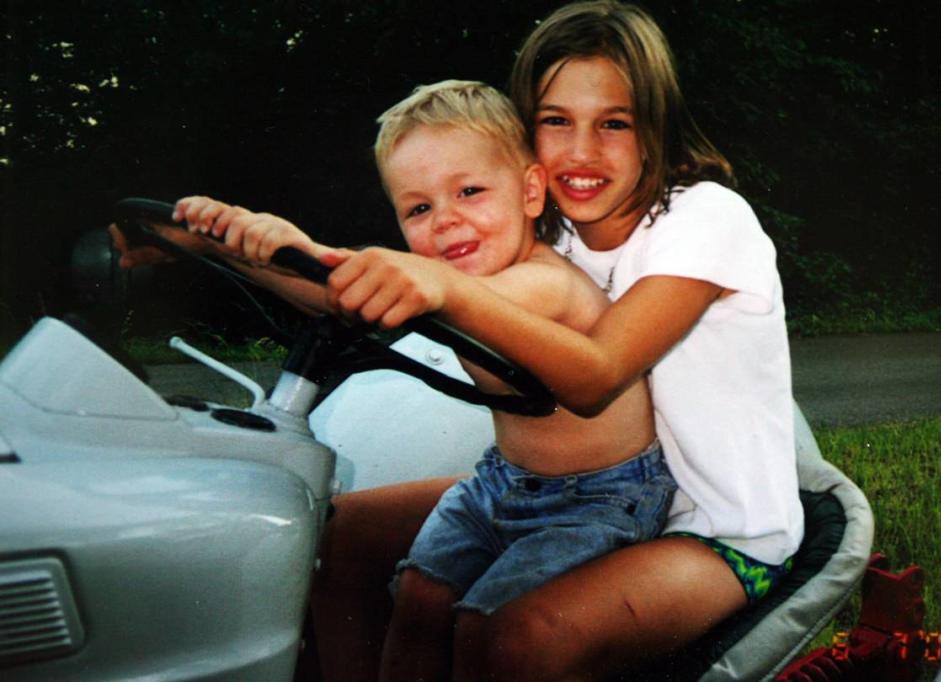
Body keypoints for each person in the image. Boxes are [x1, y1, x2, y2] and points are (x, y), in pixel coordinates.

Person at [307, 1, 804, 680]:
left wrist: (441, 289)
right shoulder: (555, 233)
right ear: (526, 143)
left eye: (614, 124)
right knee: (341, 532)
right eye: (556, 121)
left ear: (654, 127)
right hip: (572, 489)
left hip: (716, 530)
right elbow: (388, 299)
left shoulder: (707, 219)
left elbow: (596, 375)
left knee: (515, 640)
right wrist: (265, 247)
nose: (581, 152)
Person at [168, 80, 676, 680]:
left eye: (469, 191)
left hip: (599, 500)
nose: (447, 220)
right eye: (419, 208)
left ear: (531, 190)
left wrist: (297, 248)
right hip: (503, 480)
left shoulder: (541, 284)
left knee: (482, 628)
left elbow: (382, 295)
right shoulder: (464, 281)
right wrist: (232, 244)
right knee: (417, 600)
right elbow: (345, 298)